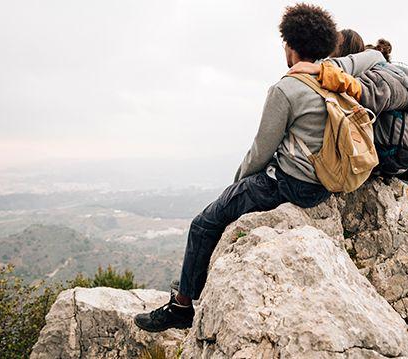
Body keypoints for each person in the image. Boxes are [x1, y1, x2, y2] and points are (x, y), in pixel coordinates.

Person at [133, 4, 387, 333]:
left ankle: (181, 307)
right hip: (323, 185)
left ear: (292, 47)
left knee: (203, 223)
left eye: (285, 44)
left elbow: (261, 151)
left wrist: (236, 186)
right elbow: (377, 58)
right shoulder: (335, 72)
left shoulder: (285, 89)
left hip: (288, 184)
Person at [289, 32, 408, 187]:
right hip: (404, 165)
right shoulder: (397, 76)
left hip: (385, 162)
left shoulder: (374, 76)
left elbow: (369, 92)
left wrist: (323, 72)